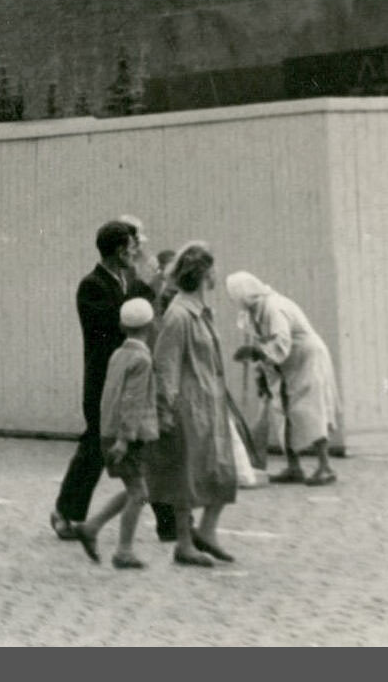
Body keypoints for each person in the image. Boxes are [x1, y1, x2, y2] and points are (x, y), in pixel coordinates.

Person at [51, 217, 155, 542]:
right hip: (102, 381)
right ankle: (66, 512)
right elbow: (121, 320)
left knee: (146, 448)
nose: (135, 252)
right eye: (131, 246)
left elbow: (147, 304)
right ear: (119, 249)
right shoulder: (92, 286)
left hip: (127, 375)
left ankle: (171, 522)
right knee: (95, 448)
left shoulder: (128, 281)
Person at [146, 241, 238, 568]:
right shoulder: (179, 315)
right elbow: (166, 364)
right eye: (212, 269)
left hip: (209, 403)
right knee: (185, 474)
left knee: (222, 471)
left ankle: (207, 532)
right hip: (188, 405)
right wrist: (166, 408)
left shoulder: (200, 311)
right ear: (203, 273)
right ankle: (184, 543)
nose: (216, 274)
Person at [224, 271, 341, 485]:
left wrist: (256, 353)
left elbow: (281, 342)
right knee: (281, 409)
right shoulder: (253, 312)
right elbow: (266, 344)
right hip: (284, 362)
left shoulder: (274, 307)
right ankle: (294, 466)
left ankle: (325, 466)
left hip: (306, 357)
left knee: (310, 407)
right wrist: (261, 371)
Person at [76, 296, 159, 568]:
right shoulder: (142, 359)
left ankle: (93, 526)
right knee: (140, 493)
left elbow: (111, 396)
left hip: (109, 431)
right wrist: (125, 438)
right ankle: (123, 550)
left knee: (136, 489)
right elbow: (132, 400)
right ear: (150, 324)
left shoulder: (118, 354)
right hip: (129, 436)